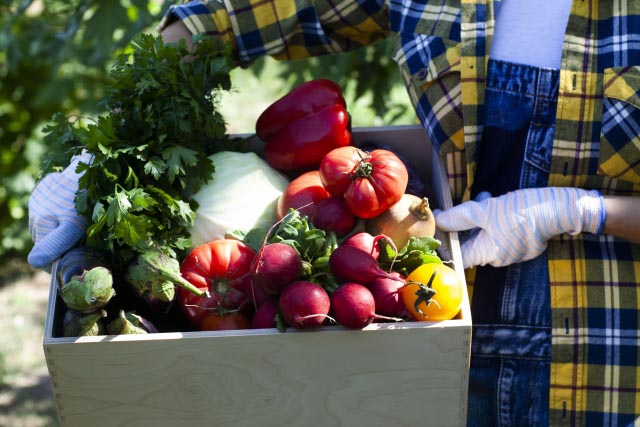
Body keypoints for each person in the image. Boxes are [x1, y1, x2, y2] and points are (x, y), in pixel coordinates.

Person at [28, 1, 640, 425]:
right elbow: (233, 17)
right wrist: (100, 154)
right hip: (402, 332)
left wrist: (584, 210)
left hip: (598, 349)